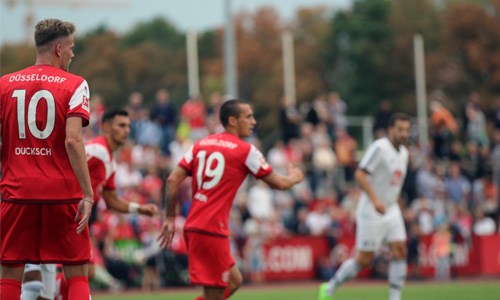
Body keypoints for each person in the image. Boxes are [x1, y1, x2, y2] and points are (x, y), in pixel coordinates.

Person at [157, 99, 304, 300]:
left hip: (196, 226)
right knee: (214, 295)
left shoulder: (200, 144)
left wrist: (170, 218)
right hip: (211, 229)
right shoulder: (245, 150)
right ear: (233, 121)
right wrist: (294, 178)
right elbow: (279, 184)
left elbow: (172, 179)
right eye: (248, 117)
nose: (254, 122)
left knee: (234, 282)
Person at [20, 108, 160, 300]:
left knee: (51, 285)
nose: (126, 130)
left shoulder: (109, 161)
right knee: (78, 274)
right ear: (107, 127)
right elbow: (67, 162)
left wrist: (138, 208)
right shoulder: (98, 151)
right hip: (62, 214)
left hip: (69, 217)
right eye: (121, 125)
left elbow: (111, 200)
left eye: (128, 126)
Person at [0, 19, 94, 300]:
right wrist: (87, 194)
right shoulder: (76, 84)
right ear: (58, 49)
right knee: (77, 271)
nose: (72, 54)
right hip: (62, 192)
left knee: (10, 272)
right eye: (71, 48)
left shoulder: (4, 84)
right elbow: (73, 140)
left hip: (16, 192)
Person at [318, 113, 411, 300]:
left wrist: (397, 202)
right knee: (363, 260)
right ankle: (330, 286)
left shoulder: (405, 153)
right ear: (390, 129)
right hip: (372, 209)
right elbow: (360, 174)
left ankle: (395, 297)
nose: (404, 133)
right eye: (400, 129)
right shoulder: (380, 147)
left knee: (400, 249)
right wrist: (376, 199)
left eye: (406, 130)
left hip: (391, 209)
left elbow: (395, 182)